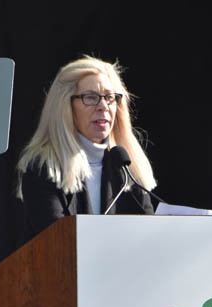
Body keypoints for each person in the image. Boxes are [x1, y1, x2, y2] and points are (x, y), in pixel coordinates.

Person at [17, 55, 156, 242]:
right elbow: (57, 246)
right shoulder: (44, 168)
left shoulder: (126, 167)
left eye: (109, 97)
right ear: (65, 106)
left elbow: (150, 239)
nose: (103, 106)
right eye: (91, 97)